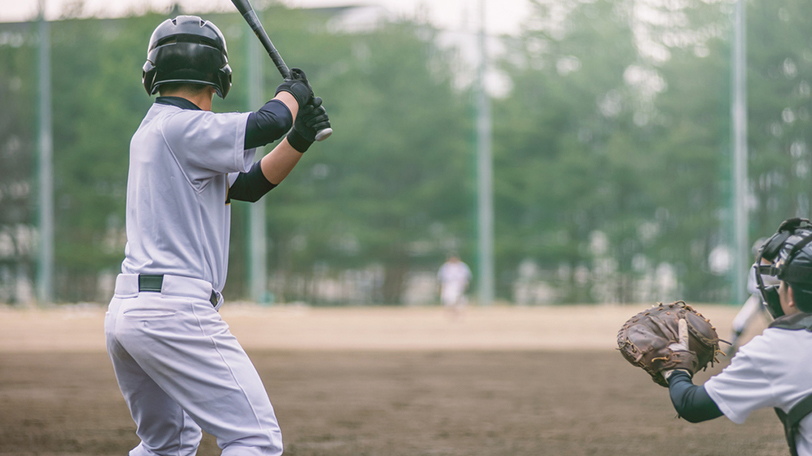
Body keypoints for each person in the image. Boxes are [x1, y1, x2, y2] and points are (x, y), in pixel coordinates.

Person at [104, 16, 330, 456]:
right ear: (220, 75)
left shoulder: (161, 132)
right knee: (255, 440)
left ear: (152, 73)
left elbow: (247, 186)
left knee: (167, 445)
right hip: (174, 313)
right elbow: (268, 121)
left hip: (132, 313)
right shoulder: (179, 127)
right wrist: (293, 96)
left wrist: (298, 139)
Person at [664, 218, 812, 456]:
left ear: (791, 294)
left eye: (782, 284)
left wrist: (676, 368)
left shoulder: (777, 349)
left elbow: (691, 405)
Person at [724, 238, 779, 356]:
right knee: (741, 320)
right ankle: (731, 346)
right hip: (757, 298)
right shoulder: (756, 267)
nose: (758, 255)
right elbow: (756, 290)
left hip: (775, 298)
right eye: (757, 253)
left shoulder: (778, 266)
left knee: (780, 324)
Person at [437, 253, 472, 318]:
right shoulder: (446, 266)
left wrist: (466, 284)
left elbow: (466, 276)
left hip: (459, 284)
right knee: (448, 299)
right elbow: (441, 277)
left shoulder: (462, 266)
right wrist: (441, 285)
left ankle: (457, 311)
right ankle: (452, 311)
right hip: (448, 284)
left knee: (457, 299)